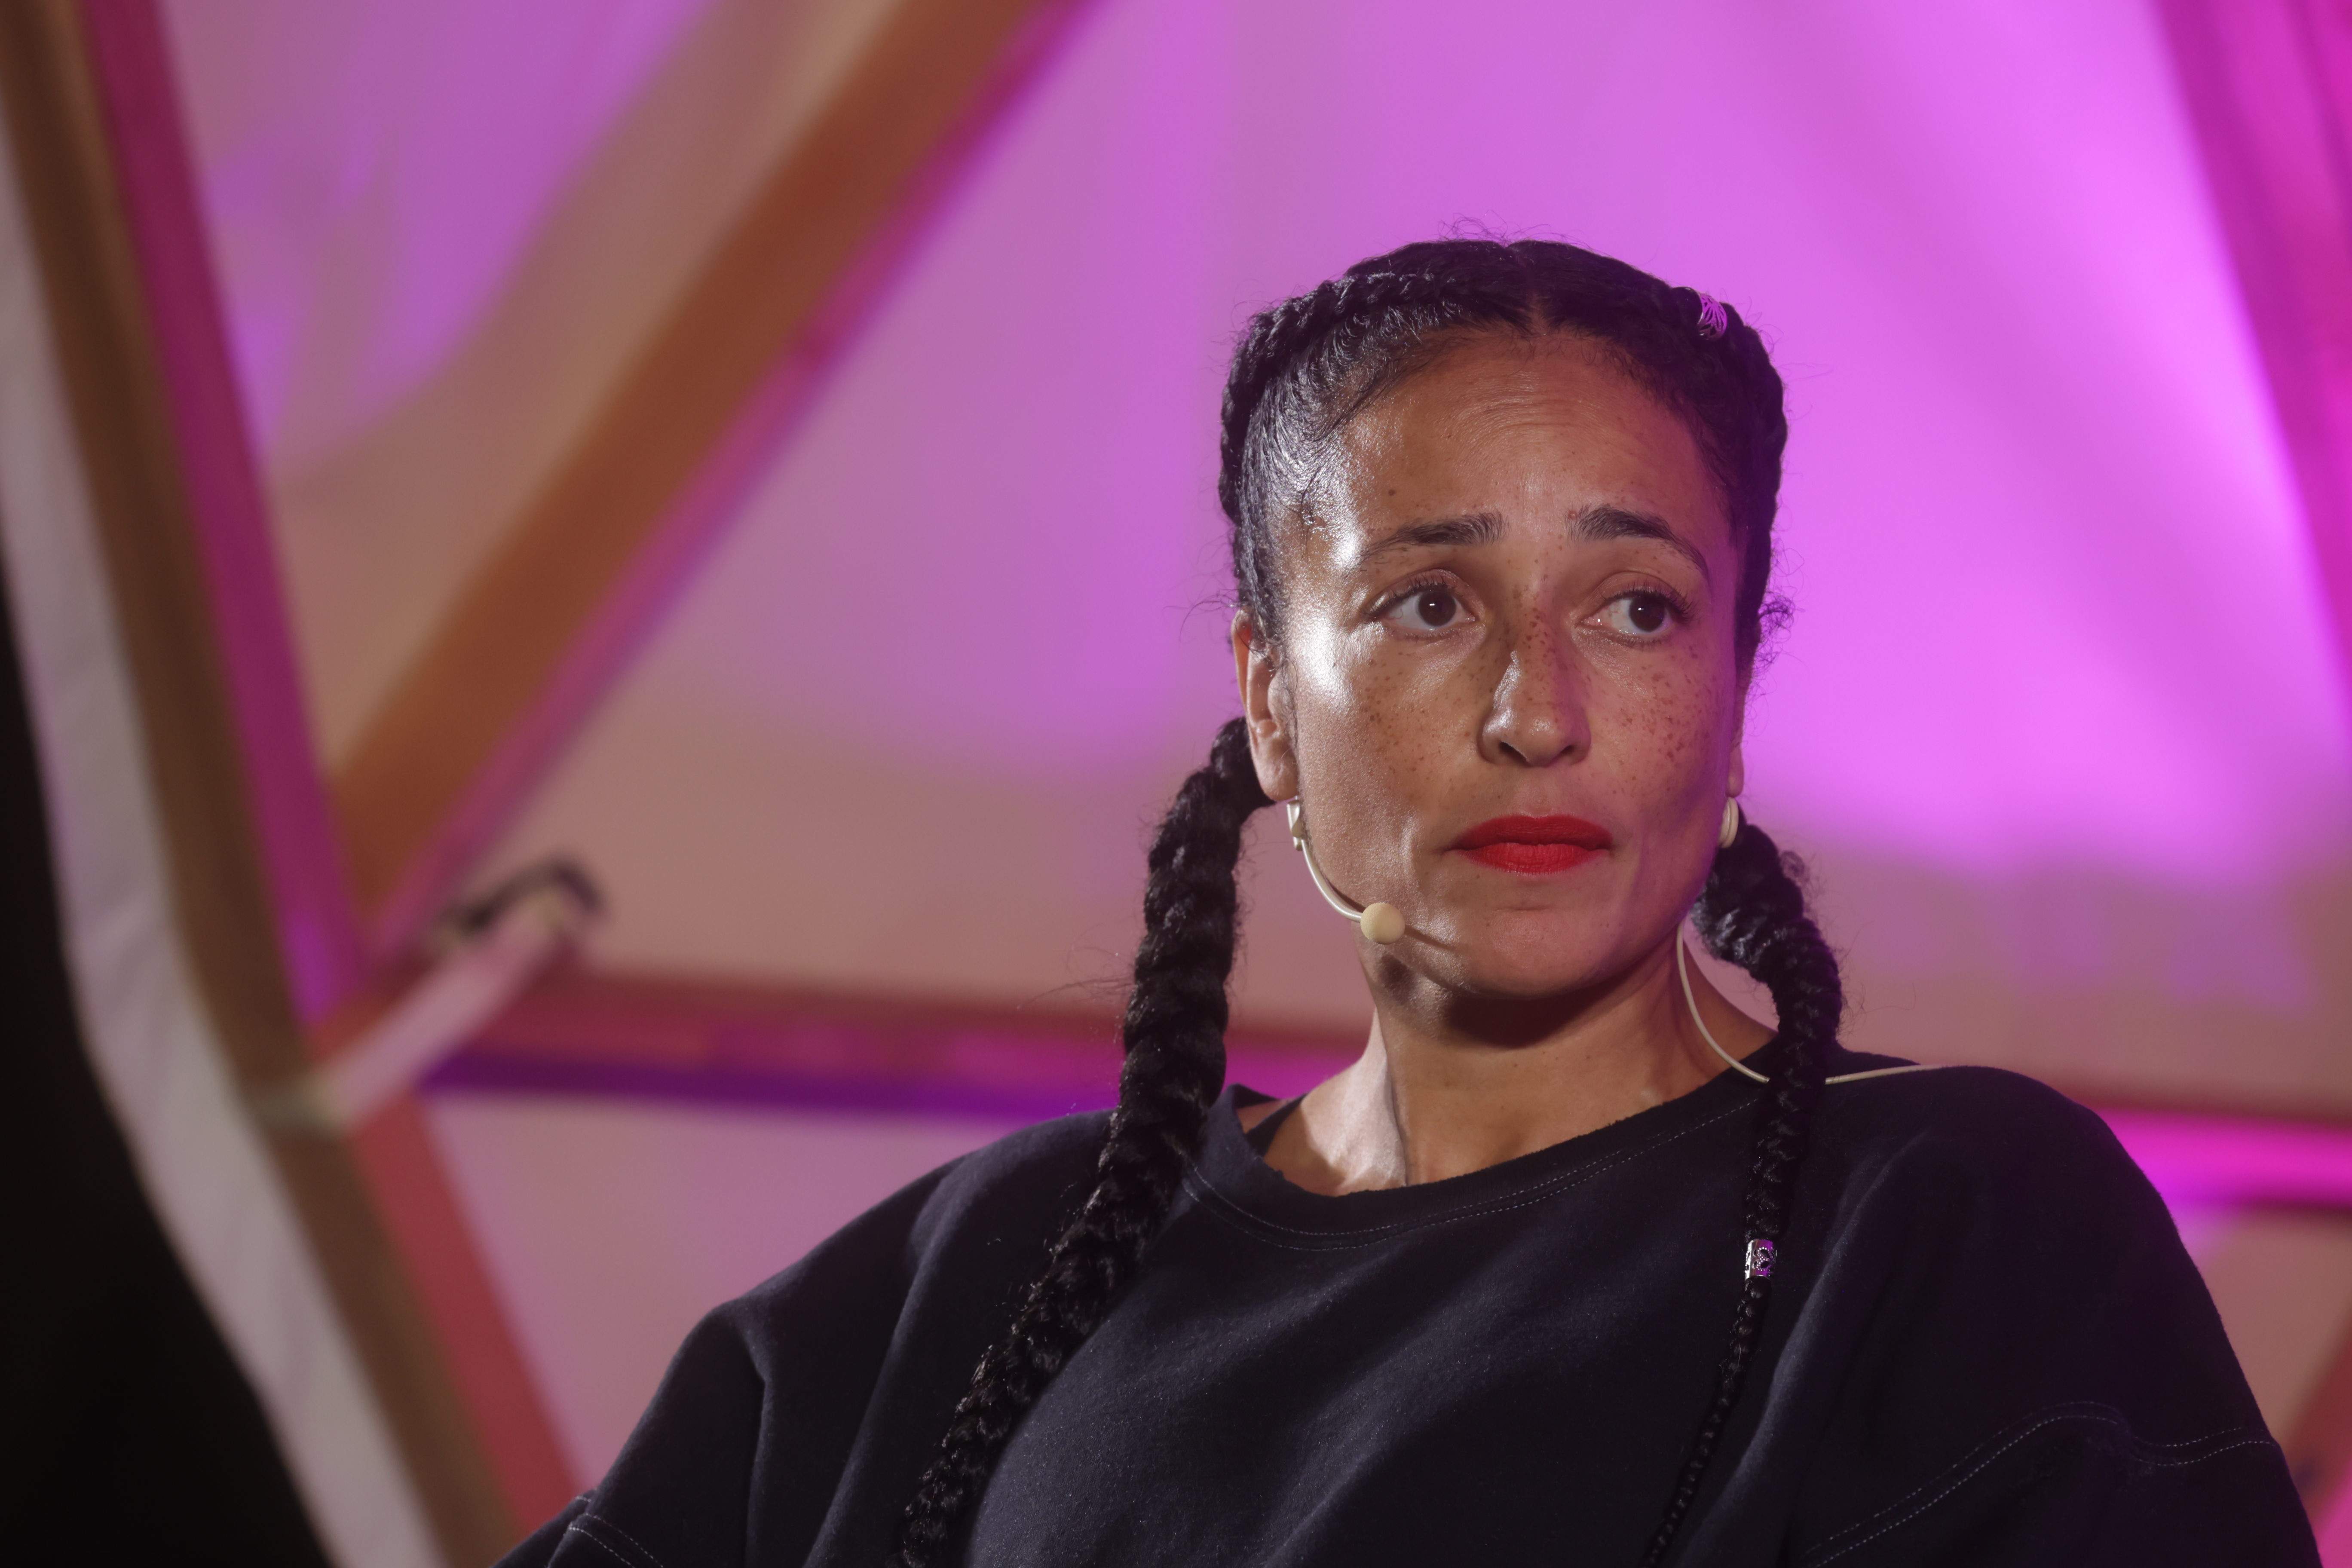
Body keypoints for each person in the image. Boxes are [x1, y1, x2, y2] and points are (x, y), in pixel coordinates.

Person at [501, 240, 2316, 1567]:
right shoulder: (989, 1266)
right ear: (1269, 702)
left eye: (1638, 609)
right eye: (1428, 606)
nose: (1538, 712)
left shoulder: (1945, 1219)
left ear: (1734, 693)